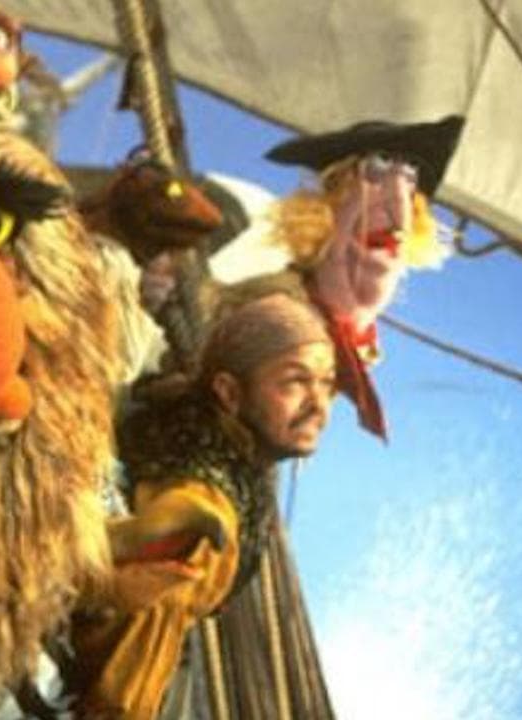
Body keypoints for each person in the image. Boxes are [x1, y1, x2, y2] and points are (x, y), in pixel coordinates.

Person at [69, 291, 336, 719]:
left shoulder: (201, 426)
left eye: (326, 384)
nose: (319, 406)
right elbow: (141, 637)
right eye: (294, 382)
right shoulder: (205, 513)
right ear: (229, 392)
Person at [263, 115, 464, 440]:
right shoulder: (264, 318)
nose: (397, 199)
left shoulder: (349, 349)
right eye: (377, 167)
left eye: (410, 178)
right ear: (323, 212)